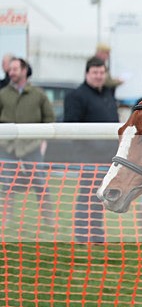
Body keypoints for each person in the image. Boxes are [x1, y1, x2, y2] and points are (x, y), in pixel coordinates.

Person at [64, 57, 120, 243]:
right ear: (87, 73)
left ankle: (96, 236)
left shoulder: (108, 94)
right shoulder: (76, 96)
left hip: (108, 158)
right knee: (86, 197)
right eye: (95, 72)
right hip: (87, 158)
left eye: (101, 72)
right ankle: (82, 236)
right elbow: (71, 128)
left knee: (99, 198)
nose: (98, 76)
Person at [0, 57, 55, 224]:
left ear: (24, 71)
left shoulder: (39, 95)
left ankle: (49, 221)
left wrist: (42, 142)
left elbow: (49, 119)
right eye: (10, 69)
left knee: (40, 185)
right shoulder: (2, 95)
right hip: (7, 148)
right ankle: (6, 221)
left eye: (15, 69)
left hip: (32, 148)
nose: (11, 72)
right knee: (7, 185)